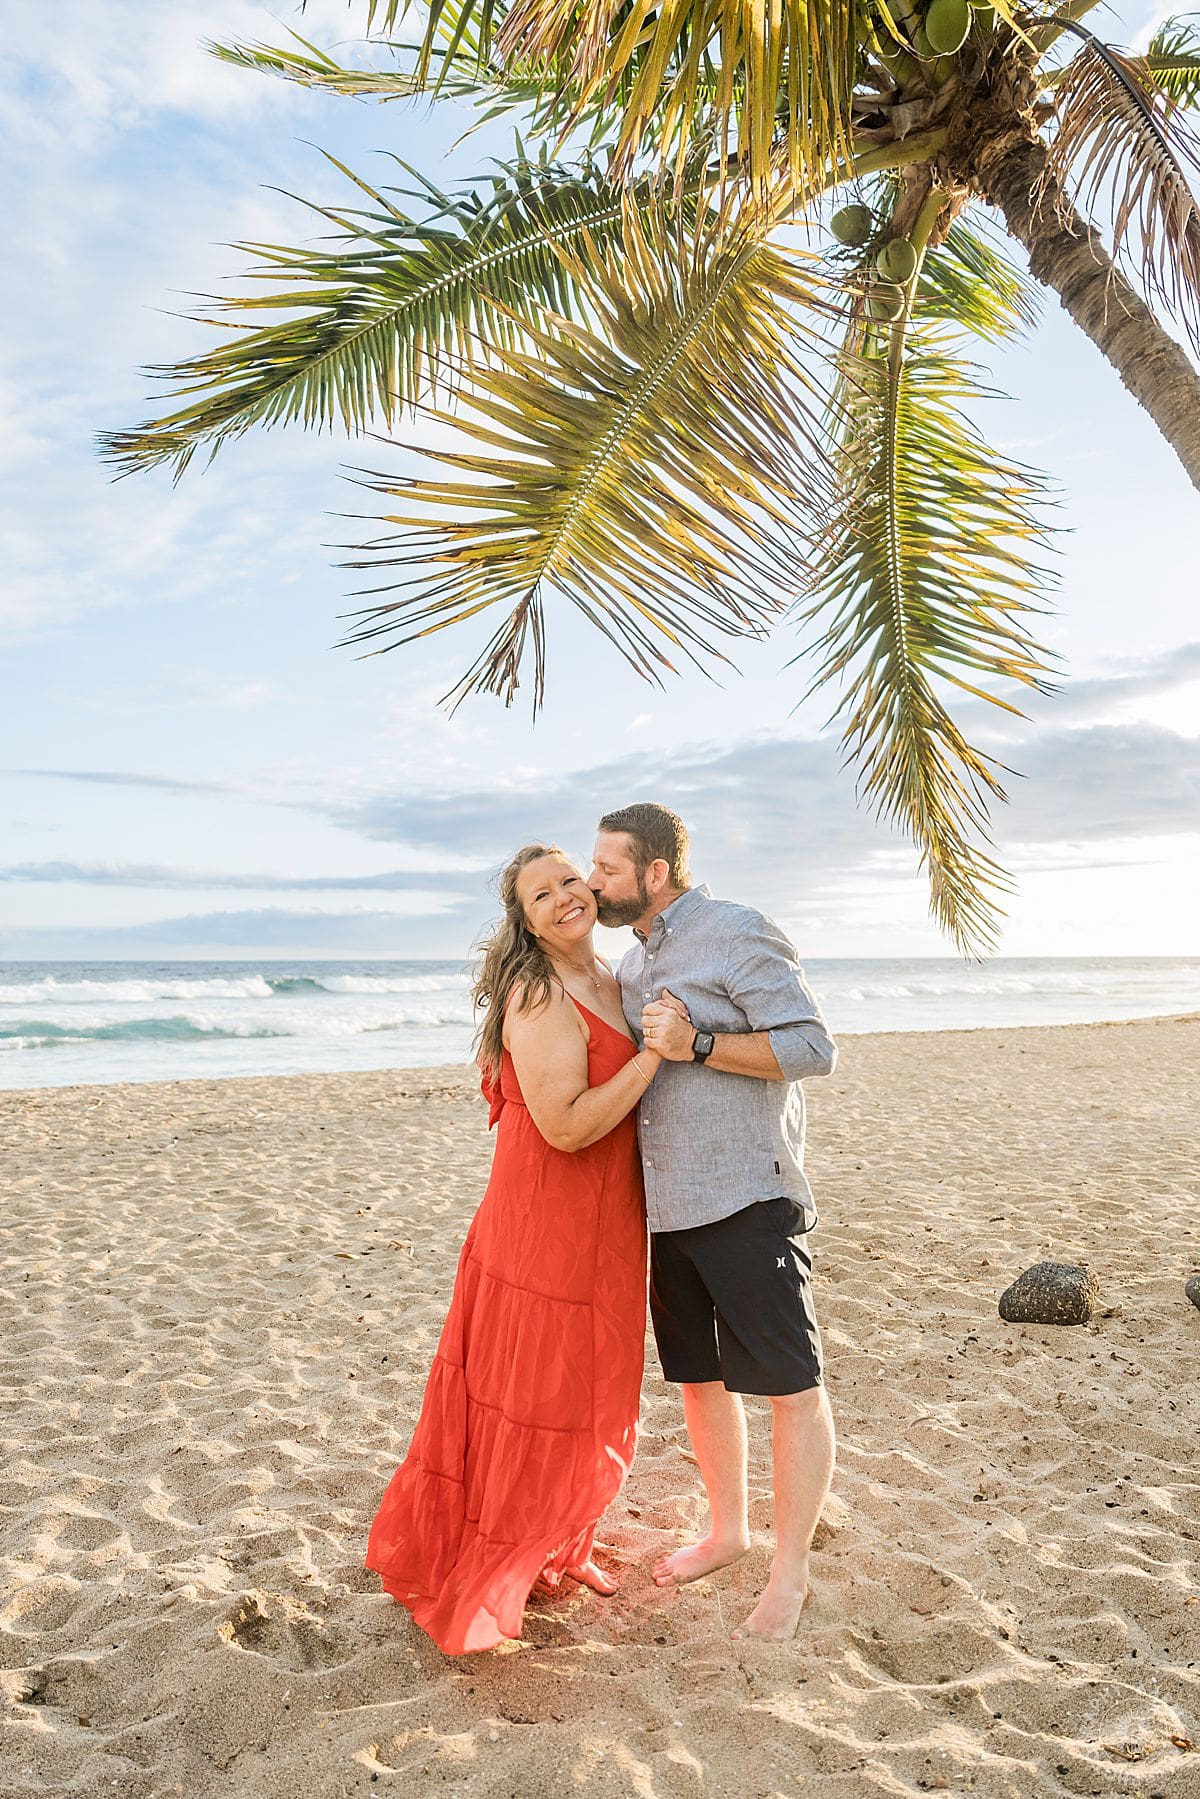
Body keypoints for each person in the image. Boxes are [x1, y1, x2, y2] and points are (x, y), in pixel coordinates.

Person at [365, 843, 660, 1654]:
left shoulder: (614, 975)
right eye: (542, 893)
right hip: (545, 1219)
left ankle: (564, 1545)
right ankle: (506, 1563)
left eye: (571, 879)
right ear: (524, 921)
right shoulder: (537, 990)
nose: (565, 895)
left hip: (608, 1218)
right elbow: (564, 1125)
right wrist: (653, 1057)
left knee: (595, 1384)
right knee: (538, 1386)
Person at [589, 803, 837, 1641]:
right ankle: (728, 1532)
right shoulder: (629, 966)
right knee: (701, 1380)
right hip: (667, 1210)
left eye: (608, 868)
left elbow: (812, 1046)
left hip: (747, 1196)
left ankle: (790, 1572)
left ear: (655, 872)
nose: (595, 882)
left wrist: (698, 1044)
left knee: (790, 1390)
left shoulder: (736, 931)